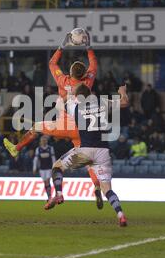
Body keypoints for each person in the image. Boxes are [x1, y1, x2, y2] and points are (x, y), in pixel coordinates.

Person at [3, 31, 105, 210]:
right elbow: (94, 64)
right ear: (84, 74)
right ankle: (96, 187)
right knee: (89, 161)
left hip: (63, 124)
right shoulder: (88, 81)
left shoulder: (62, 79)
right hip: (82, 127)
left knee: (36, 127)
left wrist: (62, 45)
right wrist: (88, 46)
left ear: (71, 72)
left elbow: (52, 63)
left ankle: (16, 148)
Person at [45, 84, 129, 226]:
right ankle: (120, 214)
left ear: (78, 96)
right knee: (107, 189)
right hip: (103, 152)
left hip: (85, 151)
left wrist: (68, 94)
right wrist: (123, 91)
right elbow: (124, 102)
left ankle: (59, 194)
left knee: (57, 167)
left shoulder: (75, 106)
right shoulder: (103, 103)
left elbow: (59, 106)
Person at [33, 136, 56, 201]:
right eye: (42, 140)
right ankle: (49, 196)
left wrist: (54, 166)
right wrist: (34, 167)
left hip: (49, 168)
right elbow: (36, 159)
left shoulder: (50, 148)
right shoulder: (38, 149)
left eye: (45, 140)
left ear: (47, 141)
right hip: (42, 169)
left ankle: (49, 197)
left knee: (47, 181)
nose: (43, 142)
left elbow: (53, 158)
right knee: (45, 183)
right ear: (40, 142)